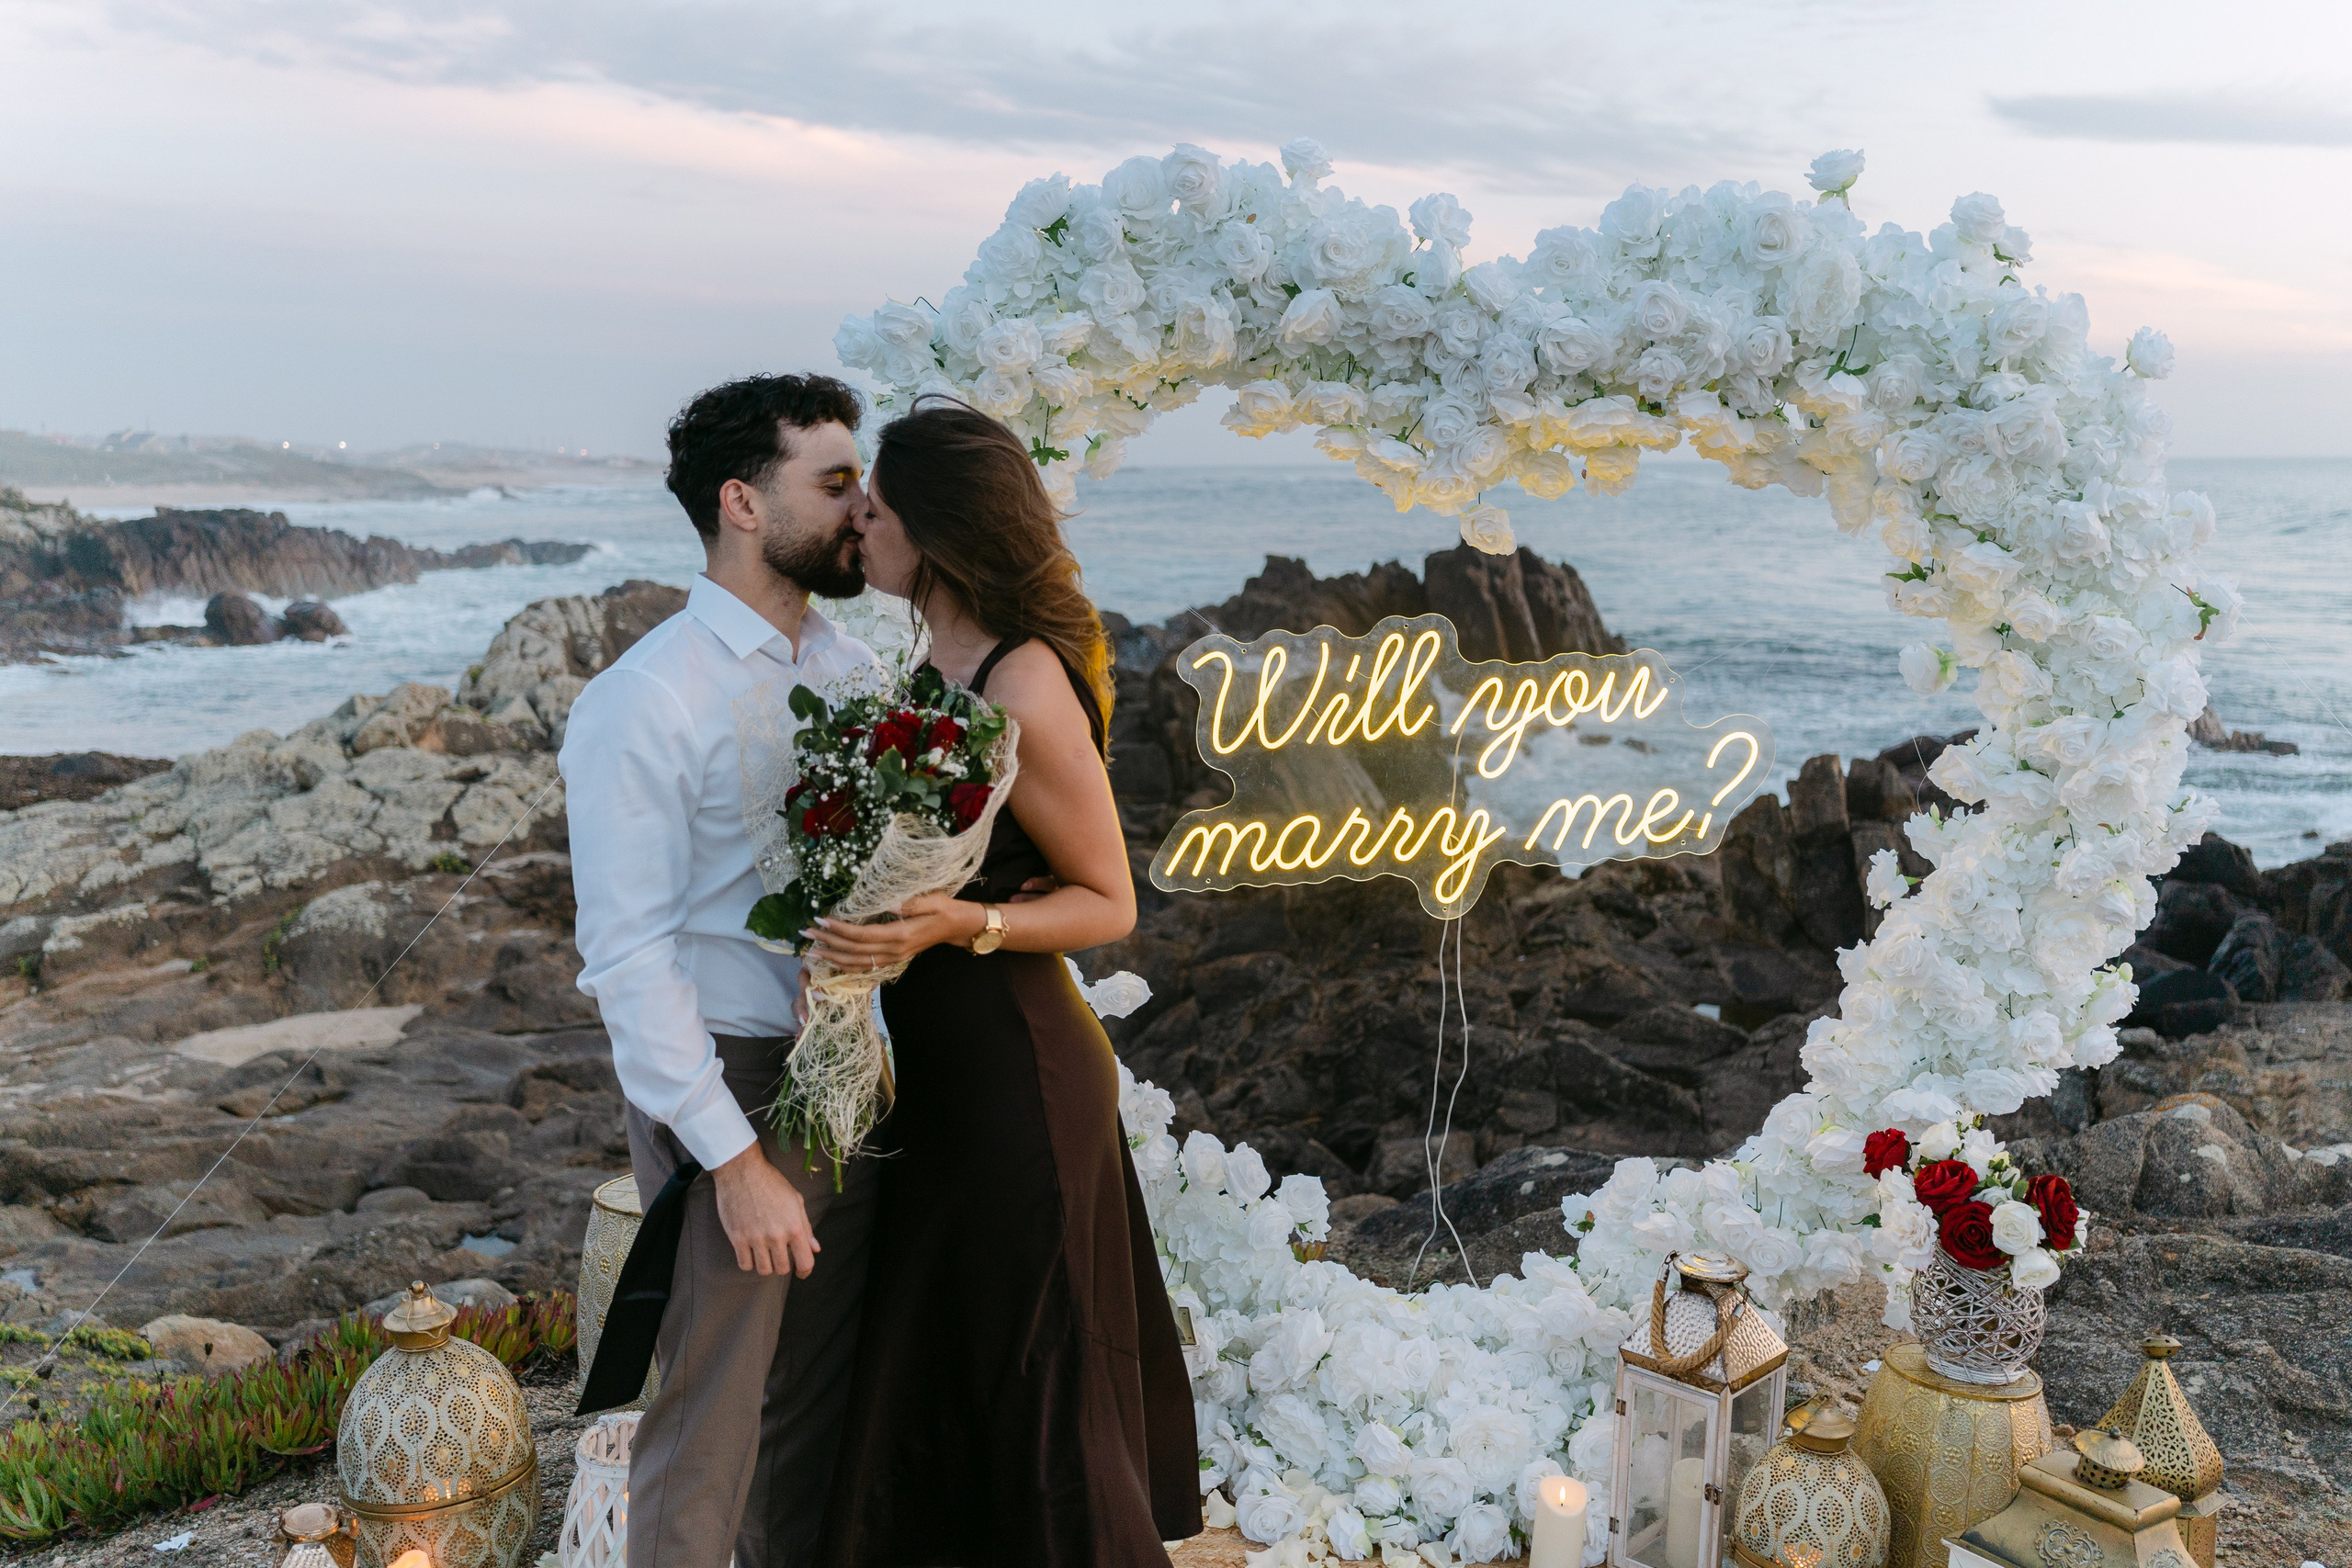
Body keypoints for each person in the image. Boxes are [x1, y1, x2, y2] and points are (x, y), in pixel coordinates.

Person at [808, 398, 1202, 1566]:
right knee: (961, 1362)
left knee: (1038, 1381)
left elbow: (1110, 901)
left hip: (1018, 1073)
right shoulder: (936, 659)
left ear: (936, 528)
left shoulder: (1022, 682)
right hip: (942, 1069)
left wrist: (951, 925)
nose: (860, 520)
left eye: (876, 501)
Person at [560, 372, 882, 1568]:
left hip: (855, 1073)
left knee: (817, 1409)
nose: (862, 505)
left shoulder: (851, 670)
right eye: (834, 481)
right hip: (731, 1085)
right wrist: (734, 1160)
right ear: (743, 502)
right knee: (710, 1415)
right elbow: (630, 963)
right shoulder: (644, 697)